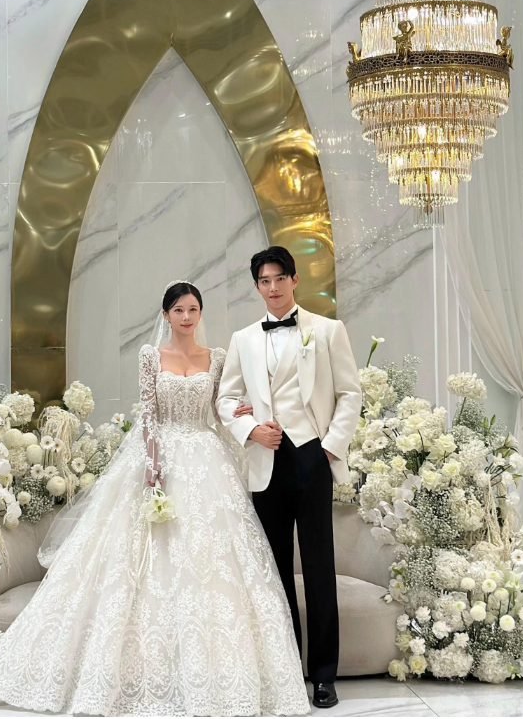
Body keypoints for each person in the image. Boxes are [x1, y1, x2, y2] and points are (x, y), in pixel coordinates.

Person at [0, 281, 311, 717]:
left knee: (213, 561)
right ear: (166, 315)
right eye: (178, 310)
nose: (186, 317)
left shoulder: (217, 358)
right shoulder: (151, 356)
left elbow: (218, 410)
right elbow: (148, 414)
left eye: (193, 309)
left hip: (207, 460)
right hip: (160, 454)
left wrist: (240, 413)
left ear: (200, 314)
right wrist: (152, 465)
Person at [216, 247, 362, 709]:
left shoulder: (327, 330)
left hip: (312, 457)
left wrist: (330, 447)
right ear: (256, 286)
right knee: (273, 571)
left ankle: (323, 675)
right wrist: (249, 429)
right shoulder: (243, 338)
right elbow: (226, 399)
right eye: (265, 280)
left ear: (294, 280)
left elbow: (350, 393)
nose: (273, 287)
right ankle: (285, 670)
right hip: (266, 462)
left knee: (318, 568)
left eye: (280, 278)